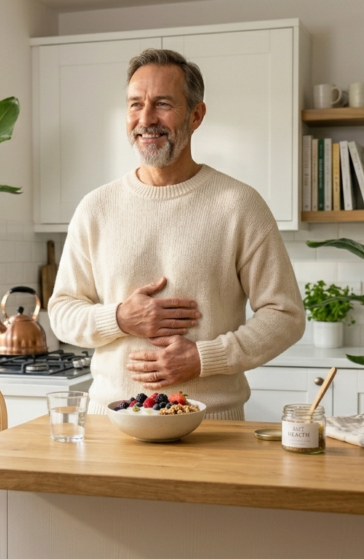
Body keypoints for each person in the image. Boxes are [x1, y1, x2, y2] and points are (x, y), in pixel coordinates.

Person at [48, 49, 305, 419]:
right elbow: (62, 311)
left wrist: (203, 358)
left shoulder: (239, 204)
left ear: (196, 115)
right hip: (112, 428)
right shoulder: (96, 207)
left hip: (211, 431)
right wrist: (120, 318)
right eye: (135, 104)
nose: (146, 119)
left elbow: (286, 315)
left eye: (163, 104)